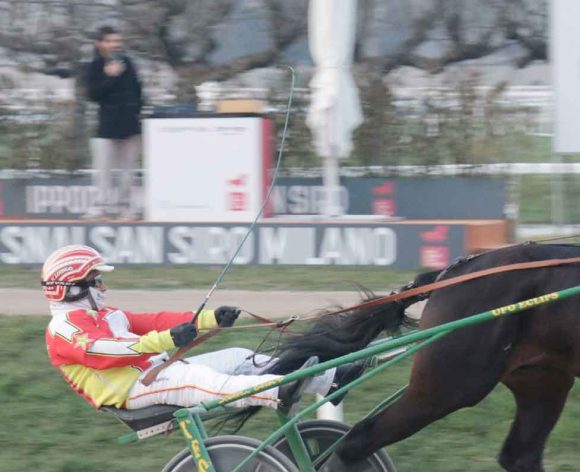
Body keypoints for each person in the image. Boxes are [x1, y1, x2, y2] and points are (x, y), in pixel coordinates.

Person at [41, 245, 358, 410]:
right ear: (72, 287)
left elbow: (153, 321)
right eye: (97, 280)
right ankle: (277, 390)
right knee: (197, 379)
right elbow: (107, 352)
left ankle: (329, 380)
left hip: (156, 371)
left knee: (237, 356)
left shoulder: (106, 314)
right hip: (133, 390)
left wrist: (209, 319)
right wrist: (164, 340)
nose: (103, 287)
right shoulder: (63, 330)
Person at [85, 25, 143, 220]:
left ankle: (127, 208)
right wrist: (109, 77)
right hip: (106, 126)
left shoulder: (128, 63)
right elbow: (93, 95)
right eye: (109, 41)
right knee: (103, 170)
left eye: (117, 41)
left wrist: (136, 112)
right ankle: (100, 207)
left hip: (129, 124)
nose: (114, 45)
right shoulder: (94, 65)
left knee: (128, 171)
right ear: (100, 43)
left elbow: (137, 91)